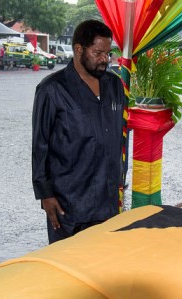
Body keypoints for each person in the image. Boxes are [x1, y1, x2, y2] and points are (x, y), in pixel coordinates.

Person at [32, 20, 125, 244]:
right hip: (69, 203)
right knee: (68, 270)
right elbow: (40, 145)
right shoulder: (52, 89)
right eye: (98, 52)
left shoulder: (114, 85)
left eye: (108, 53)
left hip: (107, 200)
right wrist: (45, 195)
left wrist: (120, 177)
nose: (105, 59)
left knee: (103, 266)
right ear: (78, 49)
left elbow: (120, 136)